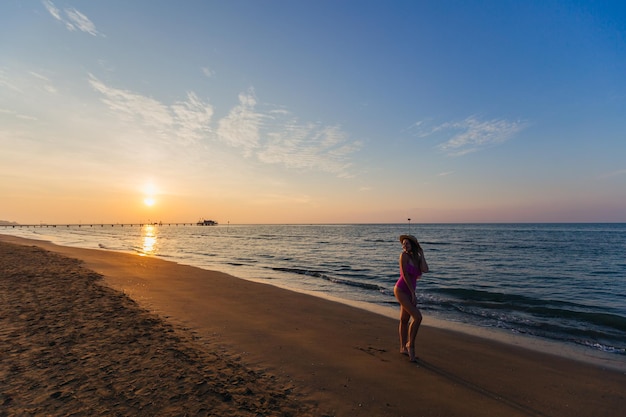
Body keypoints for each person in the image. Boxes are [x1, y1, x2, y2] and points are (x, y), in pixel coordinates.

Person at [394, 234, 429, 362]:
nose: (404, 245)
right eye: (403, 243)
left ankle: (403, 348)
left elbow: (425, 270)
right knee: (418, 317)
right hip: (401, 289)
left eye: (407, 243)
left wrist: (422, 254)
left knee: (404, 320)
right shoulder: (403, 256)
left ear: (412, 245)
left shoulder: (417, 258)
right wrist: (413, 293)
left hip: (410, 291)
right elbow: (404, 275)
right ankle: (410, 345)